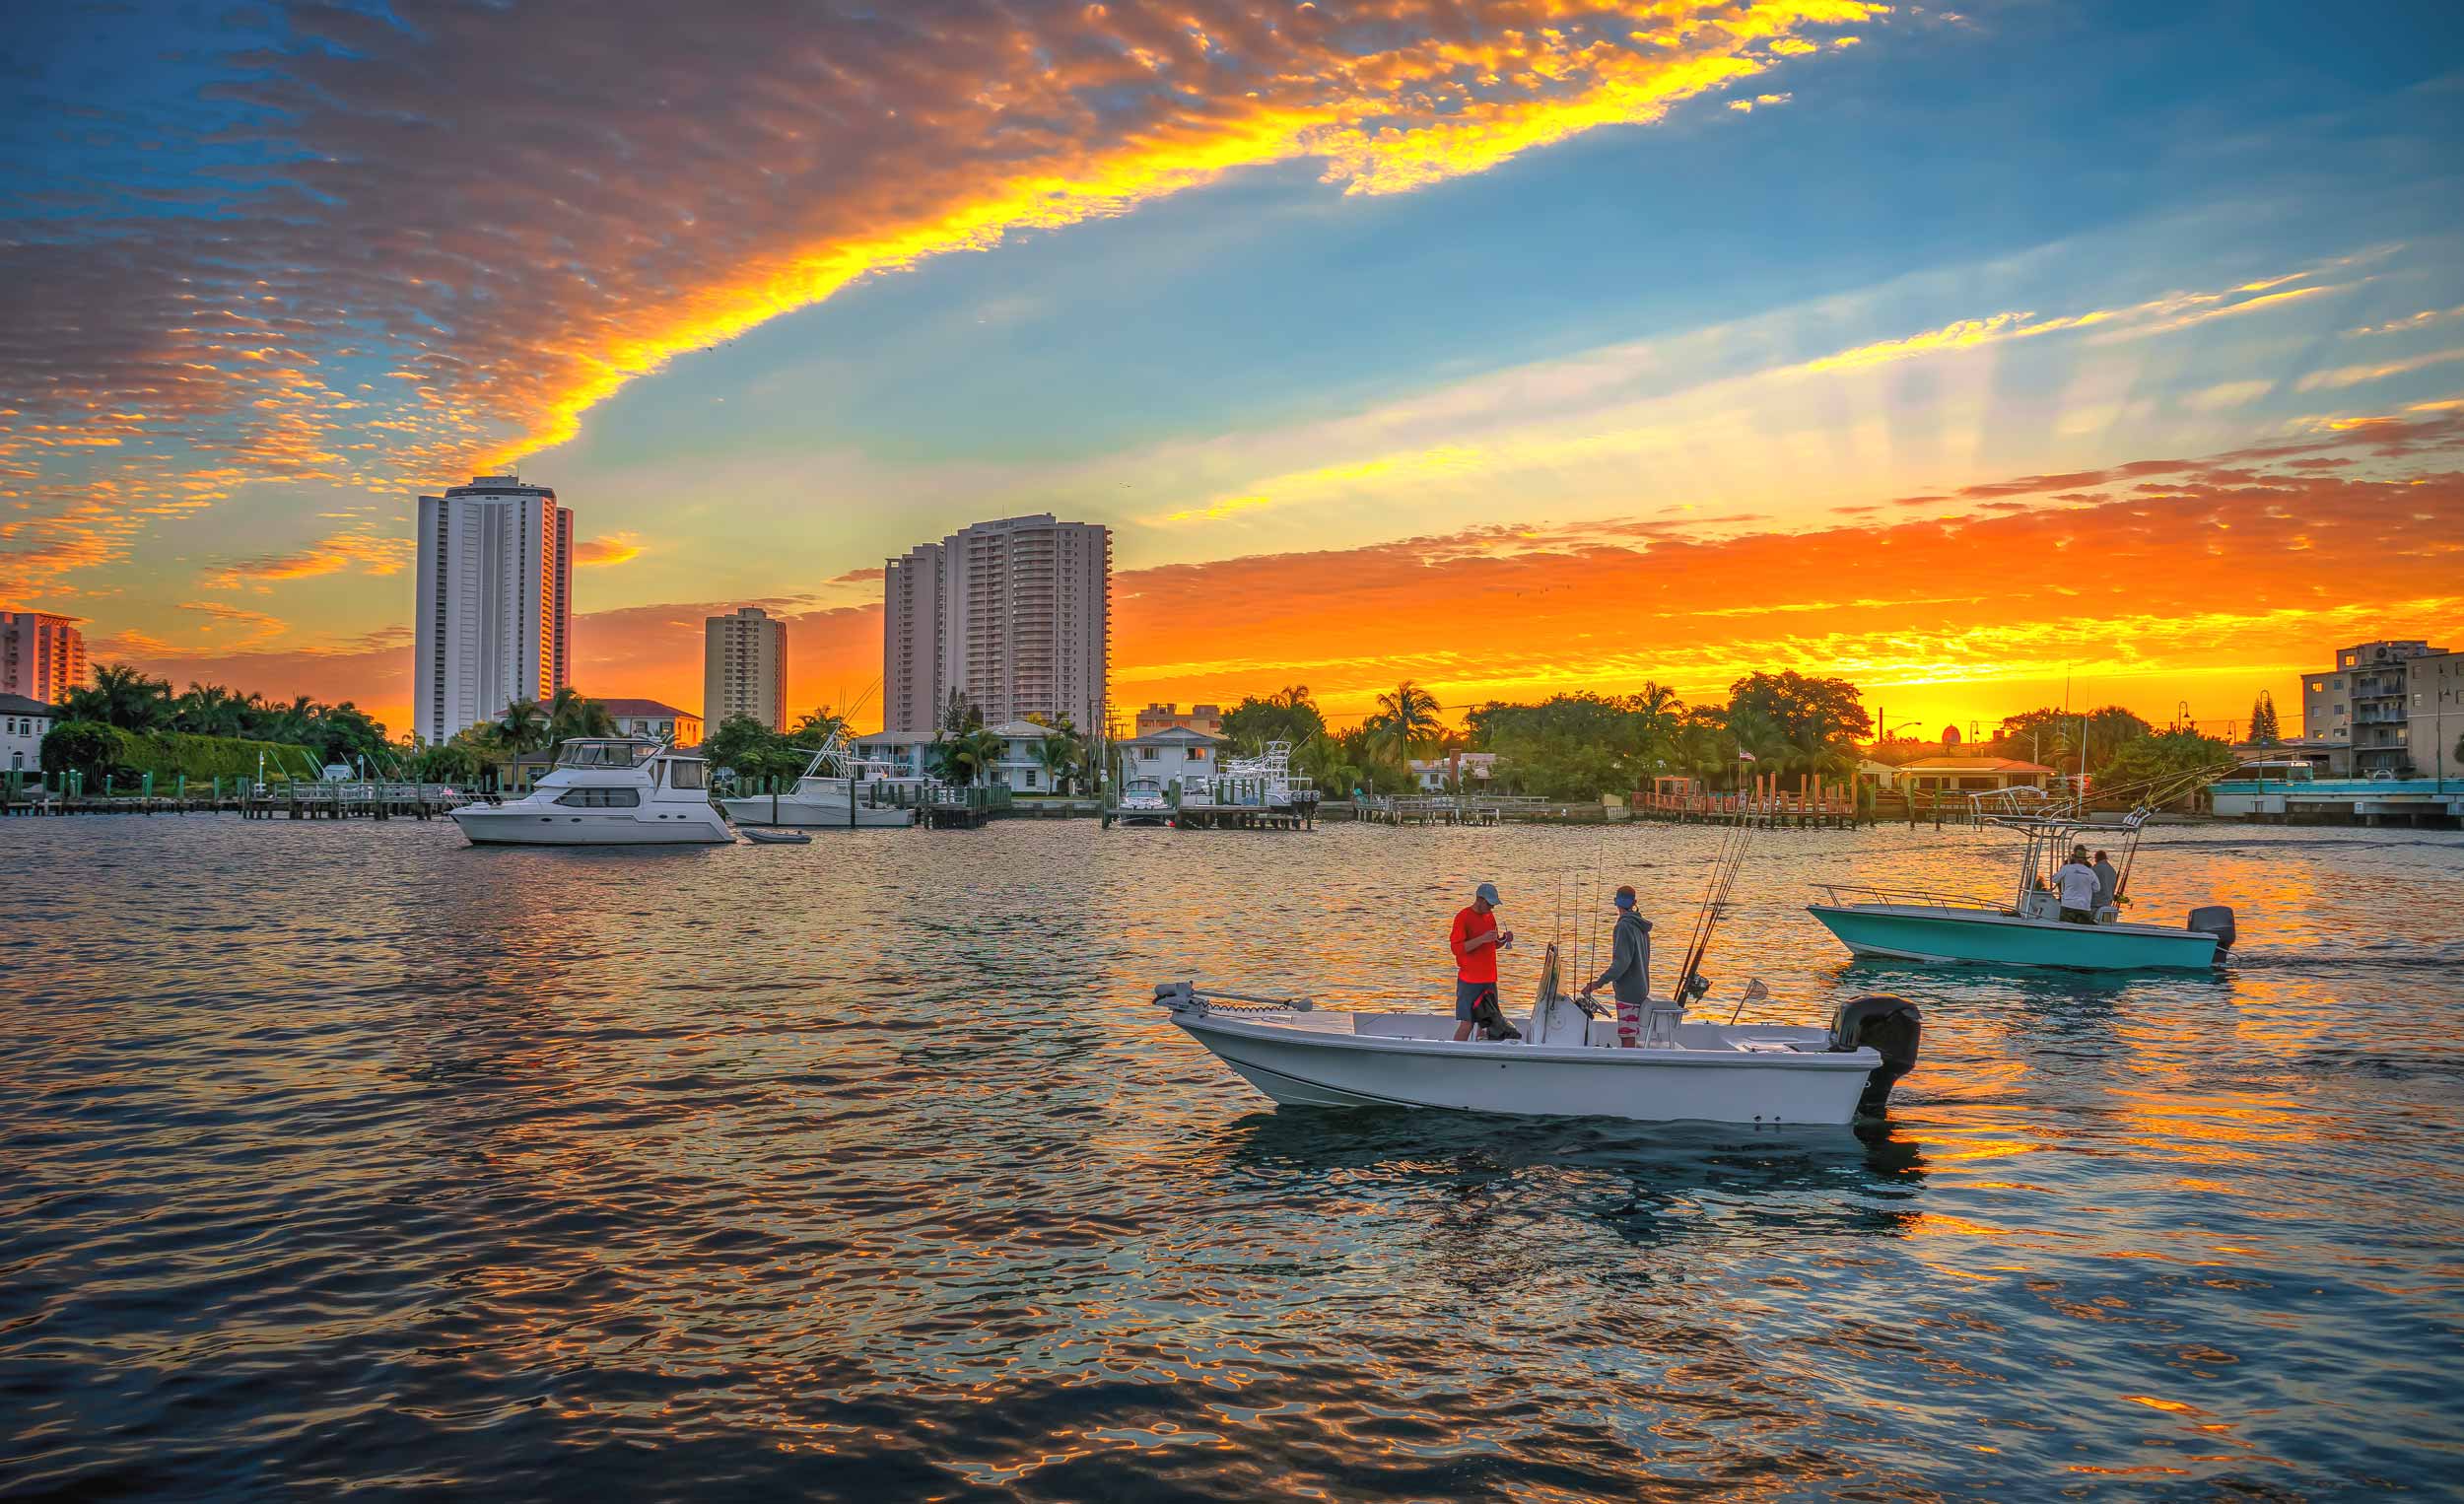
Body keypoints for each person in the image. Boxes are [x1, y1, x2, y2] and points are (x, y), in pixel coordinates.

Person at [1578, 886, 1654, 1047]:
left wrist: (1597, 983)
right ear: (1634, 902)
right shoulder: (1642, 929)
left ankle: (1629, 1068)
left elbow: (1621, 963)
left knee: (1627, 1035)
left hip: (1628, 992)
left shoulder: (1623, 927)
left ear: (1615, 902)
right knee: (1631, 1033)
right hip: (1642, 988)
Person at [1449, 881, 1516, 1041]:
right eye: (1490, 904)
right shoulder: (1463, 917)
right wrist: (1482, 938)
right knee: (1468, 1024)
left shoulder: (1490, 917)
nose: (1492, 908)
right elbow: (1456, 949)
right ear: (1479, 899)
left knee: (1486, 1024)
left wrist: (1503, 940)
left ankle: (1479, 1055)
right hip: (1470, 981)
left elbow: (1492, 945)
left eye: (1494, 905)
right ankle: (1455, 1056)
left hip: (1489, 979)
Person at [2054, 845, 2099, 924]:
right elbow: (2097, 888)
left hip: (2068, 905)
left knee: (2065, 930)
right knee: (2083, 932)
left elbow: (2054, 879)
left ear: (2073, 857)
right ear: (2085, 860)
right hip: (2084, 906)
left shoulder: (2066, 868)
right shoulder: (2090, 872)